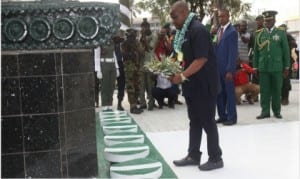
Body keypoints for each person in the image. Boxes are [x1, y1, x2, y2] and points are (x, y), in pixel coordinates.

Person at [169, 1, 223, 171]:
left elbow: (201, 59)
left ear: (184, 13)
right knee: (195, 121)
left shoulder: (198, 30)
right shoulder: (183, 32)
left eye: (175, 17)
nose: (173, 22)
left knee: (208, 122)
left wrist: (182, 75)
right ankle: (193, 155)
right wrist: (170, 67)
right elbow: (183, 56)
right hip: (192, 86)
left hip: (205, 86)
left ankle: (216, 158)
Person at [253, 10, 290, 119]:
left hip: (277, 67)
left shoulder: (281, 33)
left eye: (269, 20)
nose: (267, 22)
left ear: (274, 20)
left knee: (276, 90)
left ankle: (277, 111)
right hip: (263, 67)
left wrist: (287, 67)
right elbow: (256, 52)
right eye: (266, 21)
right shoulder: (259, 34)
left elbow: (286, 51)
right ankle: (265, 112)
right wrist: (255, 67)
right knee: (264, 90)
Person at [215, 9, 238, 126]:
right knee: (219, 93)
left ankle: (232, 117)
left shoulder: (232, 32)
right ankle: (222, 116)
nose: (220, 19)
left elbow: (232, 53)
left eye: (223, 16)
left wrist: (230, 70)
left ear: (228, 16)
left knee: (229, 94)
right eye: (219, 17)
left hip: (227, 69)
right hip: (218, 69)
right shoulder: (219, 30)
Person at [121, 28, 145, 114]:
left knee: (137, 86)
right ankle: (132, 106)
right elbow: (124, 55)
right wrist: (132, 51)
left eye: (134, 36)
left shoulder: (137, 43)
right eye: (132, 36)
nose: (133, 37)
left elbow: (142, 53)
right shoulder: (124, 44)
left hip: (137, 67)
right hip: (129, 68)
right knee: (131, 87)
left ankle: (135, 103)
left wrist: (137, 48)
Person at [96, 41, 120, 111]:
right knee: (104, 86)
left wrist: (117, 68)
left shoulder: (112, 42)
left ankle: (110, 103)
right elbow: (96, 57)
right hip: (104, 65)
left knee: (112, 86)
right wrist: (98, 70)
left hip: (112, 65)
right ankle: (104, 104)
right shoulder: (99, 42)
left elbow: (114, 55)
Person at [139, 19, 156, 110]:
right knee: (142, 85)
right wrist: (141, 38)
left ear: (149, 27)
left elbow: (150, 48)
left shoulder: (153, 36)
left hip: (150, 64)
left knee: (150, 85)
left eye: (145, 27)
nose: (144, 29)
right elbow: (139, 50)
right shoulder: (140, 37)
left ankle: (151, 102)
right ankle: (142, 103)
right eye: (142, 27)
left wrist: (144, 38)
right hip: (141, 64)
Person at [278, 24, 298, 105]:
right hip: (279, 61)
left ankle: (285, 98)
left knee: (285, 80)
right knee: (280, 80)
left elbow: (295, 45)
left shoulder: (288, 36)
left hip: (286, 61)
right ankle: (282, 97)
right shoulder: (278, 36)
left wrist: (289, 43)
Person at [113, 34, 126, 110]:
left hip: (121, 64)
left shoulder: (123, 44)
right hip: (113, 64)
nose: (119, 38)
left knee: (121, 84)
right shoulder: (111, 44)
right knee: (110, 85)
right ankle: (107, 104)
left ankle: (119, 103)